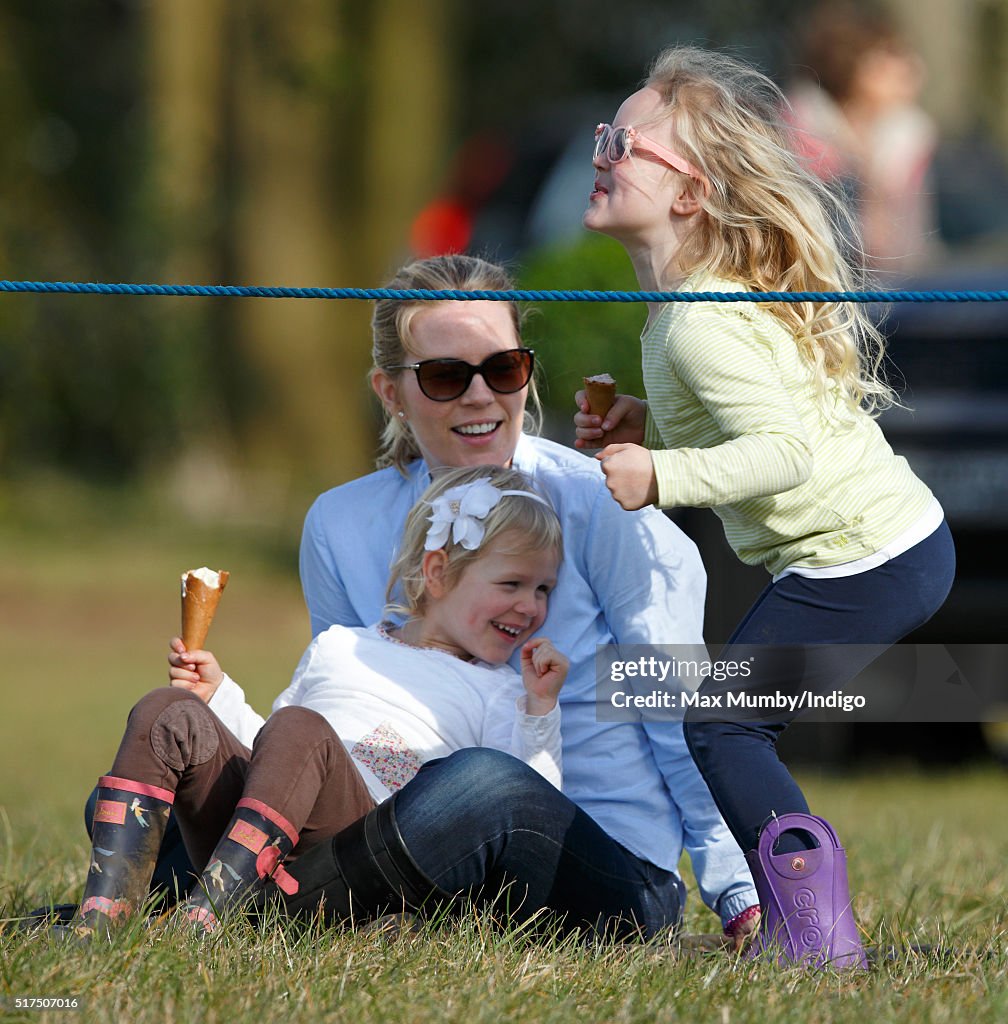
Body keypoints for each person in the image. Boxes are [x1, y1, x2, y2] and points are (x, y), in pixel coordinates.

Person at [575, 46, 955, 965]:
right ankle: (799, 927)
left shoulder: (701, 322)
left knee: (723, 722)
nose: (600, 154)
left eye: (623, 143)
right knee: (729, 721)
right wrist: (645, 423)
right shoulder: (682, 312)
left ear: (689, 195)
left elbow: (781, 454)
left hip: (868, 557)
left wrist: (659, 474)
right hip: (879, 550)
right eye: (603, 135)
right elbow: (758, 420)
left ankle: (815, 941)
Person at [290, 252, 758, 942]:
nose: (482, 397)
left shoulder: (597, 498)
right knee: (175, 749)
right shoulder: (338, 523)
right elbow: (339, 716)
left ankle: (259, 905)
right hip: (419, 851)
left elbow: (678, 703)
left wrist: (738, 887)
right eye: (447, 377)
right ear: (389, 392)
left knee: (485, 782)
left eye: (503, 369)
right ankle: (178, 893)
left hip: (602, 867)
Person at [65, 467, 568, 937]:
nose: (531, 607)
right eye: (512, 584)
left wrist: (540, 710)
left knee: (302, 730)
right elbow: (271, 752)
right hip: (258, 839)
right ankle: (104, 917)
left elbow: (524, 815)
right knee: (166, 711)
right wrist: (218, 696)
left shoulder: (501, 690)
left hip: (361, 860)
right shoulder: (341, 646)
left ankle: (208, 919)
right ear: (437, 572)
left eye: (544, 588)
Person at [785, 2, 940, 275]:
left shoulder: (907, 133)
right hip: (815, 278)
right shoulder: (804, 126)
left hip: (901, 284)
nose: (913, 67)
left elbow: (908, 237)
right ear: (852, 62)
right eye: (891, 55)